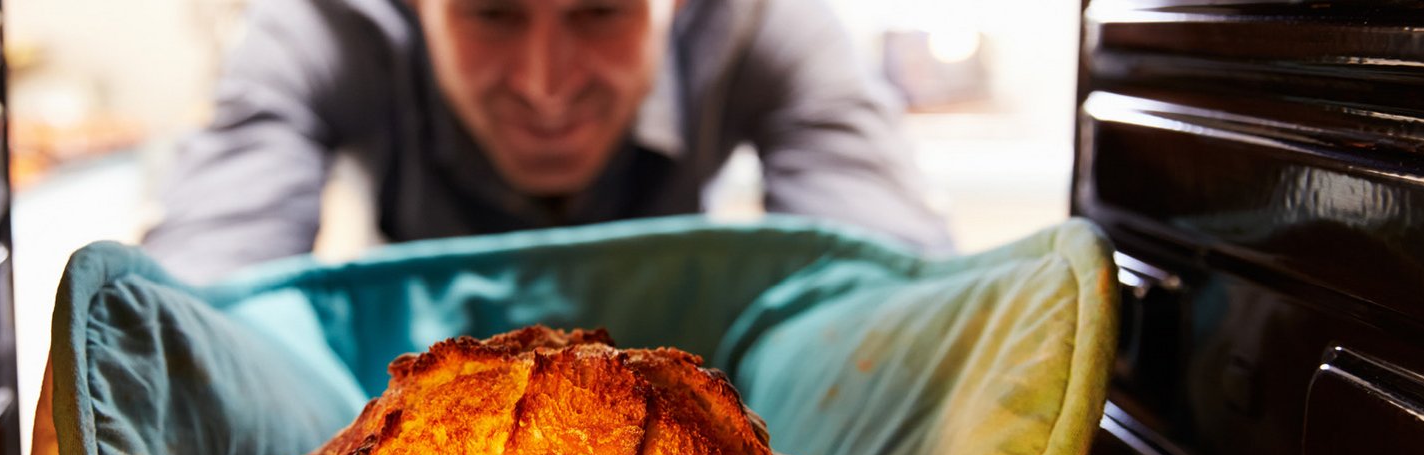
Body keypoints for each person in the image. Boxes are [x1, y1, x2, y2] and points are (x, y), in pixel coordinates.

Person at [143, 0, 948, 284]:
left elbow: (892, 277)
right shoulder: (323, 27)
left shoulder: (763, 22)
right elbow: (204, 279)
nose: (546, 85)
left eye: (601, 12)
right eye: (491, 14)